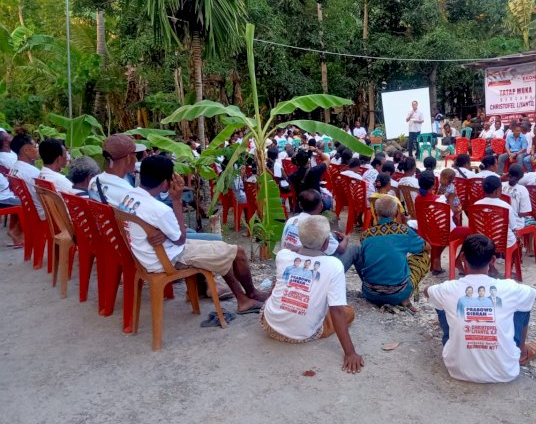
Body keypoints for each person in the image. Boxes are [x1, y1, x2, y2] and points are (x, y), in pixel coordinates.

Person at [121, 155, 267, 313]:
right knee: (237, 251)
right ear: (165, 182)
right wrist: (176, 201)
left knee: (222, 248)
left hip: (149, 255)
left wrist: (162, 232)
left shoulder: (129, 196)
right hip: (167, 258)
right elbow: (180, 239)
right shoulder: (159, 209)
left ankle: (238, 296)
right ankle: (247, 296)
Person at [424, 233, 536, 382]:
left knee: (440, 301)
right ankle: (521, 351)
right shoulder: (508, 288)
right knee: (525, 301)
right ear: (492, 260)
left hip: (457, 369)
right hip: (505, 371)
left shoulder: (449, 288)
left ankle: (459, 345)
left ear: (462, 258)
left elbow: (427, 291)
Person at [261, 215, 364, 374]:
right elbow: (336, 310)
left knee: (281, 284)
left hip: (269, 324)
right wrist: (350, 353)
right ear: (326, 243)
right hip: (303, 334)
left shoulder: (284, 255)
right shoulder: (333, 265)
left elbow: (294, 256)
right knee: (347, 312)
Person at [356, 196, 430, 313]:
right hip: (399, 294)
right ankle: (405, 299)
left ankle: (377, 287)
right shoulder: (404, 231)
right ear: (396, 213)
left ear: (375, 212)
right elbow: (426, 247)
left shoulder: (365, 235)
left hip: (370, 293)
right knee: (423, 255)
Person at [281, 189, 359, 272]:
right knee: (355, 249)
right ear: (321, 206)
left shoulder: (291, 220)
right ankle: (368, 283)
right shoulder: (318, 225)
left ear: (300, 205)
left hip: (290, 261)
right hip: (310, 265)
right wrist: (346, 238)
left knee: (334, 235)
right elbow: (341, 249)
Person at [413, 172, 470, 273]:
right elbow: (450, 215)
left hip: (426, 232)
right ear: (433, 185)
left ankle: (436, 262)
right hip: (445, 234)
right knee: (472, 231)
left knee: (436, 228)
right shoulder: (440, 200)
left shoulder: (418, 199)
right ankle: (458, 260)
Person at [89, 134, 146, 204]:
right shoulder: (129, 194)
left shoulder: (93, 181)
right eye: (135, 154)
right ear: (127, 158)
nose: (136, 159)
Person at [474, 175, 520, 253]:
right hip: (503, 243)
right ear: (497, 190)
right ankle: (508, 259)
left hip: (482, 242)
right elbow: (514, 228)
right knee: (513, 235)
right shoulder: (506, 206)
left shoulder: (475, 205)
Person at [9, 134, 45, 219]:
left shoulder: (13, 168)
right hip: (41, 214)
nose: (37, 149)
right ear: (26, 150)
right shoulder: (33, 173)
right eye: (35, 146)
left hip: (28, 212)